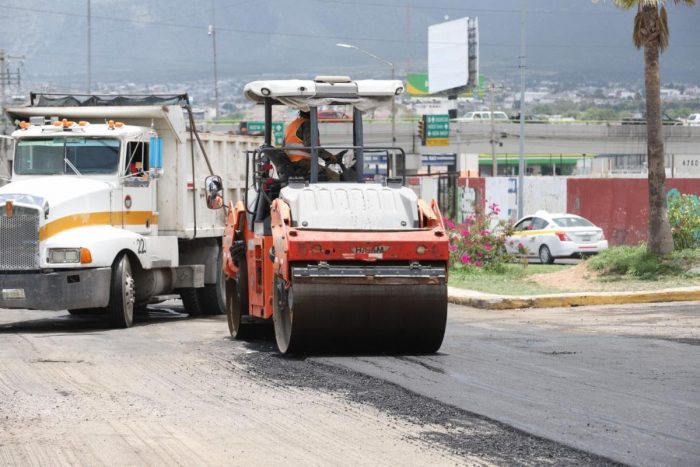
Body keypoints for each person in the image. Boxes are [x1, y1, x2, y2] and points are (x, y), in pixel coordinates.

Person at [284, 110, 345, 181]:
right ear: (312, 113)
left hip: (291, 162)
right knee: (334, 177)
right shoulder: (307, 124)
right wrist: (329, 156)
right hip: (302, 162)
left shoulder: (293, 124)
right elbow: (312, 146)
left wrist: (327, 157)